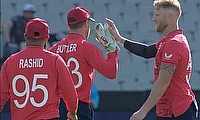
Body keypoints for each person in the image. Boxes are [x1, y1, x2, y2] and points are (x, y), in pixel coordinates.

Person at [106, 0, 199, 120]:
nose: (153, 19)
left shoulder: (174, 43)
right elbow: (146, 51)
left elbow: (163, 82)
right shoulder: (169, 41)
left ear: (169, 17)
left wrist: (143, 111)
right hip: (168, 109)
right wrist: (119, 39)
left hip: (177, 110)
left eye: (157, 15)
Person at [49, 6, 119, 120]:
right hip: (79, 106)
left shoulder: (54, 49)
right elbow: (111, 73)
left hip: (57, 108)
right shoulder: (87, 48)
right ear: (86, 24)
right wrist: (112, 51)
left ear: (68, 26)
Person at [0, 18, 78, 120]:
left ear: (25, 37)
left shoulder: (10, 62)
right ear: (46, 38)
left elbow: (2, 94)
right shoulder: (55, 60)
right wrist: (72, 112)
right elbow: (70, 93)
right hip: (48, 117)